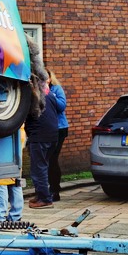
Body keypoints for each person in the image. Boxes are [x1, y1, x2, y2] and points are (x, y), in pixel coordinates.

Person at [25, 82, 60, 209]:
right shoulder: (48, 92)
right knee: (43, 166)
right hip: (53, 135)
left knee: (38, 168)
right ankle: (41, 195)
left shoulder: (30, 94)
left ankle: (45, 199)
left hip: (40, 136)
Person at [0, 127, 26, 221]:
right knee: (16, 184)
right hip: (17, 134)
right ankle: (16, 215)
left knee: (1, 184)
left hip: (3, 139)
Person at [47, 69, 68, 201]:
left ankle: (55, 190)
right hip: (45, 129)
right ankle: (47, 188)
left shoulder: (56, 89)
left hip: (59, 128)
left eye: (46, 76)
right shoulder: (36, 90)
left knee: (52, 158)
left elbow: (62, 106)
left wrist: (49, 95)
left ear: (50, 78)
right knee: (46, 159)